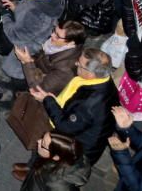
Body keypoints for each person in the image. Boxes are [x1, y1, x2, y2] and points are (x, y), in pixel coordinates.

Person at [20, 48, 118, 176]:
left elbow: (64, 126)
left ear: (91, 74)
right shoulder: (104, 81)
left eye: (80, 64)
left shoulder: (90, 104)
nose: (76, 63)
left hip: (76, 147)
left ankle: (34, 173)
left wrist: (48, 100)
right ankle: (32, 166)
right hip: (79, 130)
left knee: (50, 157)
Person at [0, 0, 66, 83]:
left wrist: (5, 16)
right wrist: (16, 7)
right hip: (43, 37)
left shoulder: (32, 11)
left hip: (30, 47)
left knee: (20, 72)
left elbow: (16, 36)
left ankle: (16, 85)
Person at [10, 21, 86, 98]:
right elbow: (42, 57)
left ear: (71, 43)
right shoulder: (56, 45)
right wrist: (31, 59)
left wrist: (27, 62)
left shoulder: (65, 70)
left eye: (57, 36)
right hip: (38, 73)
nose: (52, 35)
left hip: (41, 92)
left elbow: (39, 89)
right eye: (54, 30)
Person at [18, 131, 86, 191]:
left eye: (43, 145)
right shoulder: (62, 159)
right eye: (42, 137)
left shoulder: (57, 186)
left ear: (56, 157)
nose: (38, 141)